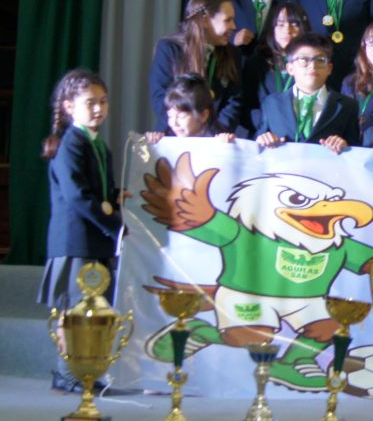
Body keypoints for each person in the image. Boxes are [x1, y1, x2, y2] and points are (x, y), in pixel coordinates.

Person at [38, 69, 123, 393]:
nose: (99, 109)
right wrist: (116, 226)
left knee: (94, 310)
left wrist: (118, 200)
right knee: (74, 312)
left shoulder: (100, 146)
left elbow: (103, 193)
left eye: (103, 101)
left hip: (95, 242)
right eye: (90, 102)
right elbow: (78, 196)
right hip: (75, 243)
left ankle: (87, 371)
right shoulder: (70, 144)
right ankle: (67, 373)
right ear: (70, 106)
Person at [149, 0, 244, 134]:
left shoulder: (233, 53)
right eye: (228, 20)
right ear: (205, 21)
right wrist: (180, 127)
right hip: (174, 136)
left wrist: (214, 133)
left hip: (215, 140)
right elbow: (160, 96)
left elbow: (233, 100)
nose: (234, 26)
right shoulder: (169, 49)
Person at [256, 33, 359, 153]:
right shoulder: (271, 103)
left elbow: (356, 150)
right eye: (303, 60)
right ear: (290, 68)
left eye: (320, 60)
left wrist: (345, 146)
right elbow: (258, 144)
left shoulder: (347, 106)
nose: (312, 66)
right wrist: (261, 140)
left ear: (329, 68)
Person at [240, 0, 310, 137]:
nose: (287, 30)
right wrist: (268, 127)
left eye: (294, 24)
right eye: (280, 24)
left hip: (301, 138)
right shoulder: (257, 62)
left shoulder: (311, 63)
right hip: (264, 137)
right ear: (271, 29)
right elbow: (247, 105)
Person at [144, 74, 236, 143]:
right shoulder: (166, 139)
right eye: (170, 116)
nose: (174, 123)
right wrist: (151, 142)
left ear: (203, 115)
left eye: (181, 116)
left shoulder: (217, 140)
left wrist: (227, 145)